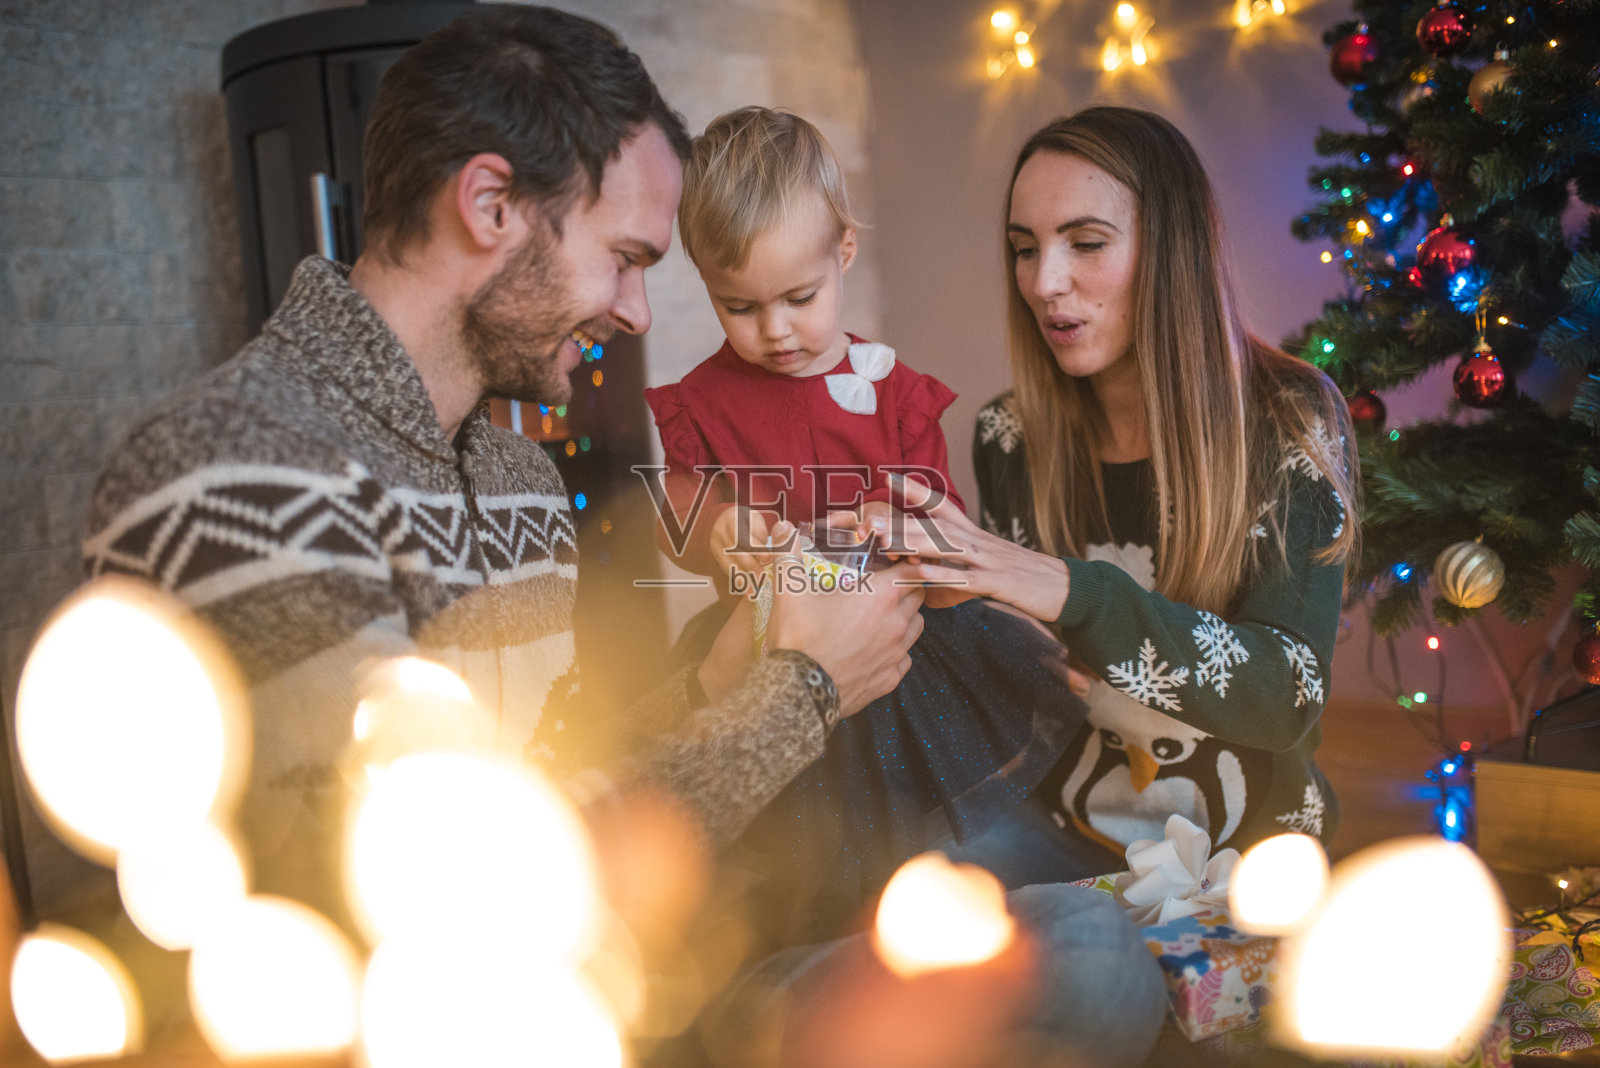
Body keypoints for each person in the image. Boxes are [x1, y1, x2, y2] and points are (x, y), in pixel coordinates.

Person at [78, 6, 925, 915]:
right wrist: (804, 693)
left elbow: (552, 783)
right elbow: (416, 895)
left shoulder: (522, 482)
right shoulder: (234, 475)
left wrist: (713, 687)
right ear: (490, 207)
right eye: (624, 258)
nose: (638, 313)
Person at [643, 107, 1087, 945]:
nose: (773, 330)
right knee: (794, 861)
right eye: (737, 306)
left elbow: (937, 521)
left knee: (914, 837)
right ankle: (813, 959)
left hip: (902, 649)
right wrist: (719, 530)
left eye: (799, 299)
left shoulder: (897, 392)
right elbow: (678, 510)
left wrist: (904, 531)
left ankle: (919, 945)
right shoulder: (698, 406)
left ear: (843, 251)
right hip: (766, 653)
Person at [886, 105, 1359, 891]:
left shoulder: (1289, 419)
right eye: (1024, 249)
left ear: (1169, 251)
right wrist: (926, 599)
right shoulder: (1011, 432)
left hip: (1251, 853)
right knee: (900, 887)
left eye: (1088, 244)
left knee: (1094, 976)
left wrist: (1074, 591)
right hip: (1065, 826)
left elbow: (1285, 694)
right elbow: (1025, 679)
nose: (1045, 283)